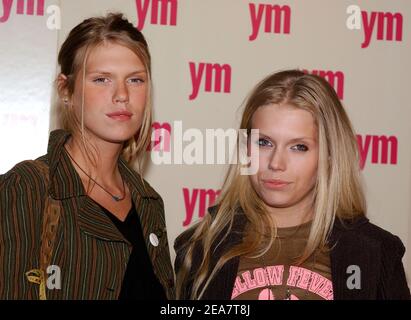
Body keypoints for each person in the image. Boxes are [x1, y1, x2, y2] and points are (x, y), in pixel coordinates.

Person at [174, 70, 410, 300]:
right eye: (264, 142)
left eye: (299, 147)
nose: (276, 163)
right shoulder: (199, 250)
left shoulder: (377, 254)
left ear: (329, 155)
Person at [0, 13, 175, 300]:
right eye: (101, 79)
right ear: (65, 90)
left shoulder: (149, 203)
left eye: (135, 79)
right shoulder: (27, 188)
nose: (121, 94)